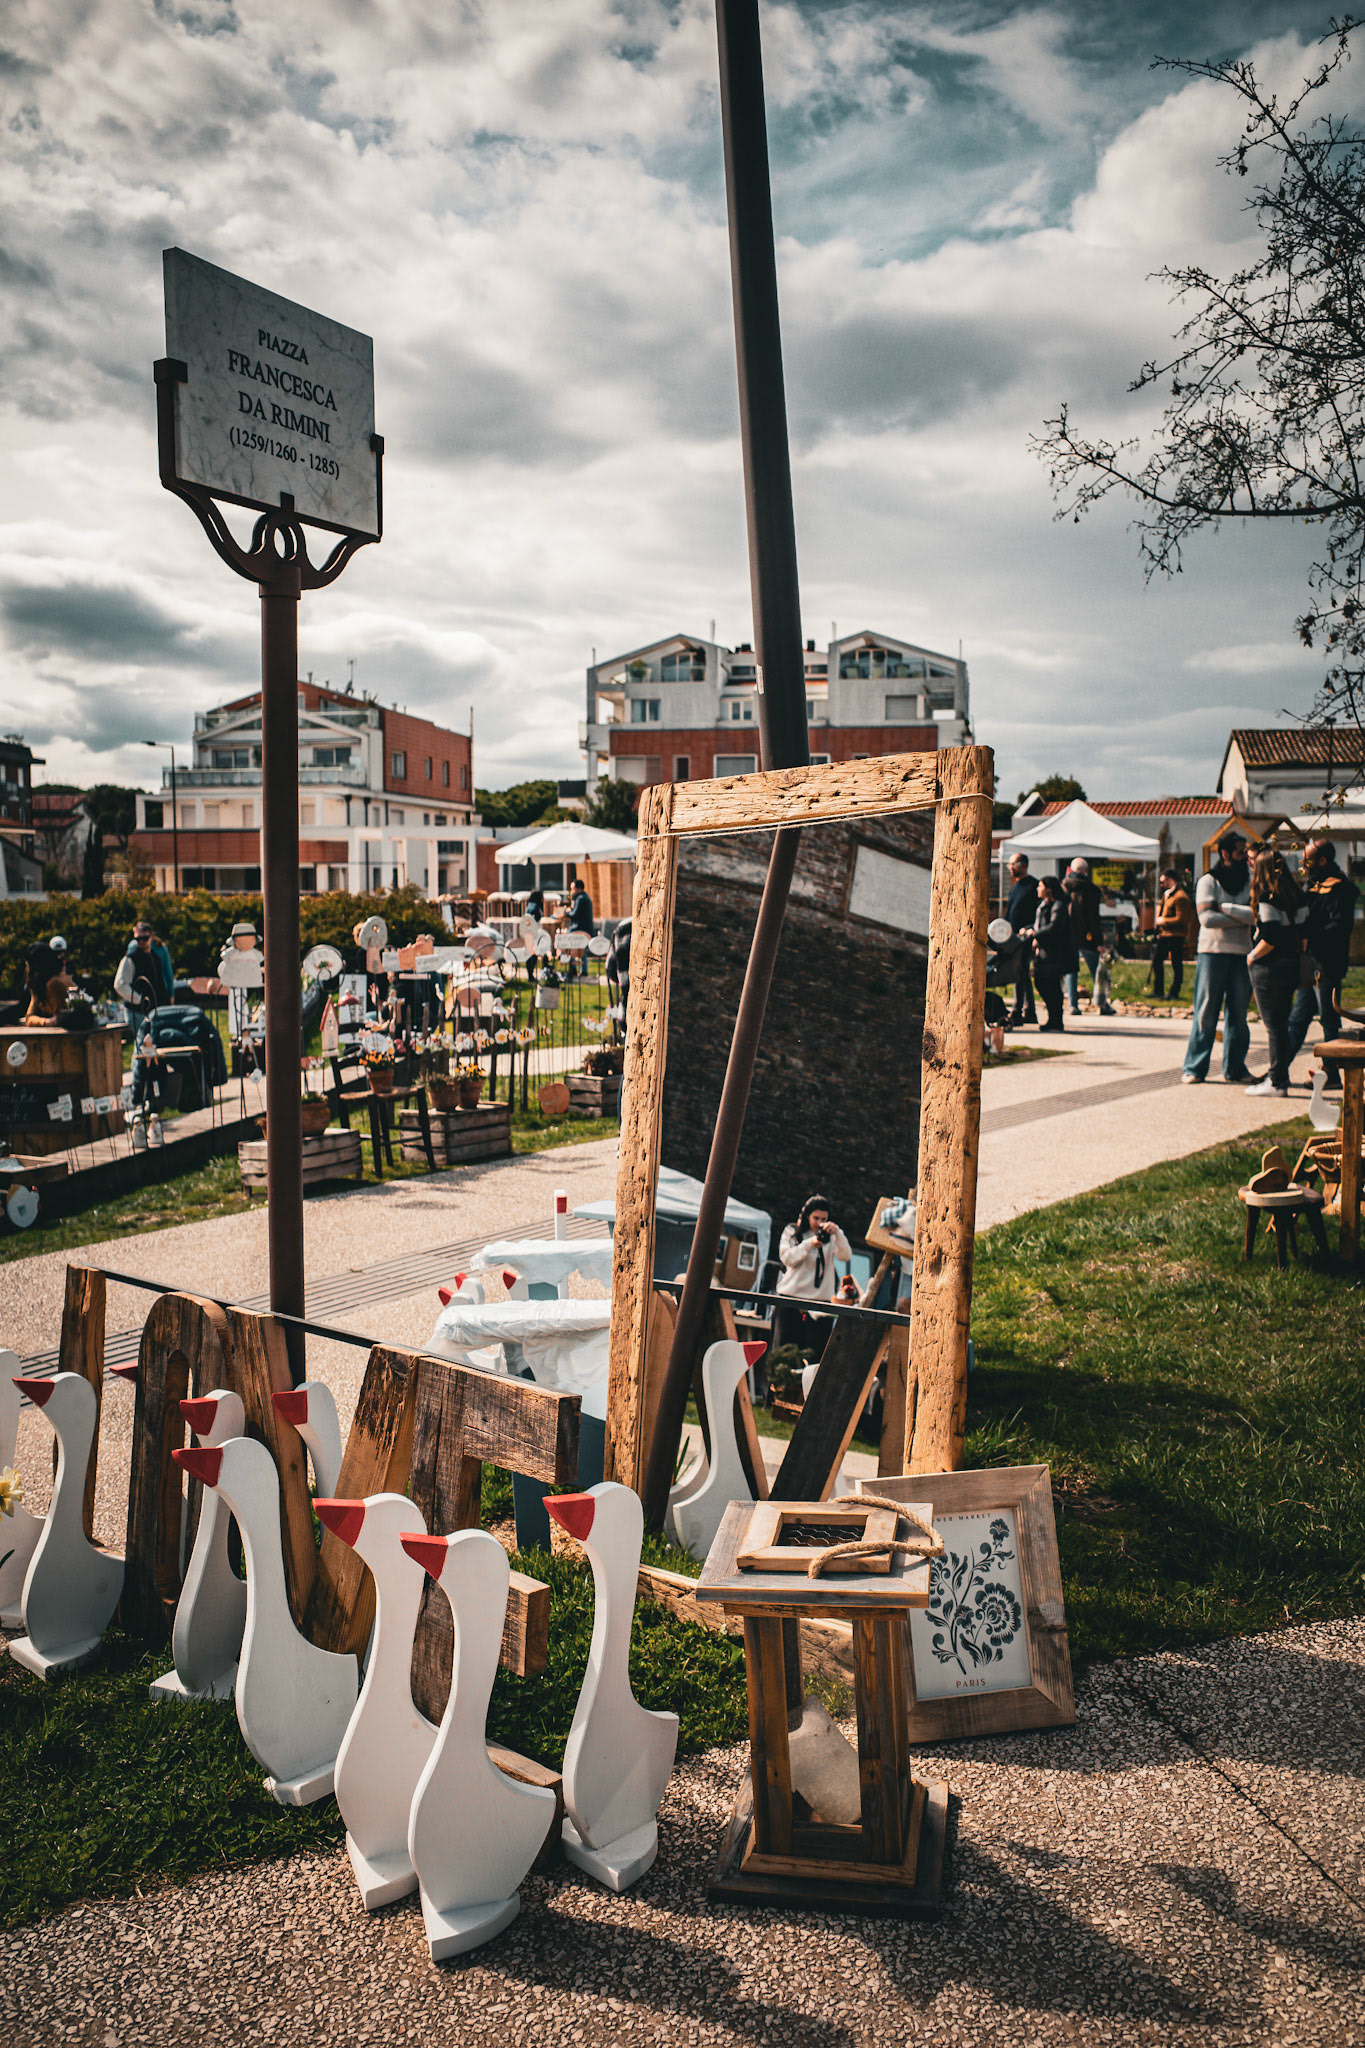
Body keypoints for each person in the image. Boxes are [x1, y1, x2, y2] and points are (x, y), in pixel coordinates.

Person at [1182, 833, 1258, 1084]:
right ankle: (1194, 1068)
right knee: (1206, 1013)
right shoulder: (1208, 881)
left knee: (1238, 1015)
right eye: (1239, 852)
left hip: (1241, 952)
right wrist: (1242, 917)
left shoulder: (1250, 881)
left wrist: (1224, 908)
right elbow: (1207, 919)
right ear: (1225, 854)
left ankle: (1235, 1069)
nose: (1244, 857)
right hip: (1212, 953)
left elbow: (1257, 915)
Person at [1286, 838, 1359, 1088]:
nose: (1304, 865)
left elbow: (1340, 926)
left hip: (1328, 964)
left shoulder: (1340, 888)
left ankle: (1331, 1073)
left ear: (1323, 860)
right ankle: (1278, 1071)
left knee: (1328, 1020)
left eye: (1308, 860)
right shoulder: (1312, 885)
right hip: (1310, 962)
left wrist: (1310, 932)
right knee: (1297, 1020)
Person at [1244, 848, 1309, 1097]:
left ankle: (1276, 1081)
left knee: (1274, 1027)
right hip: (1292, 963)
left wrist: (1252, 956)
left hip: (1269, 967)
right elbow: (1303, 933)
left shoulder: (1267, 897)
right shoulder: (1296, 895)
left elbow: (1270, 935)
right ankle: (1279, 1078)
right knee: (1281, 1025)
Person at [771, 1194, 852, 1361]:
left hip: (819, 1305)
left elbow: (845, 1256)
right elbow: (787, 1258)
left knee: (814, 1358)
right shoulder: (793, 1232)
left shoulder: (832, 1236)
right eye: (816, 1218)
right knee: (784, 1357)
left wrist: (837, 1233)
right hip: (791, 1300)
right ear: (807, 1215)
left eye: (823, 1219)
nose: (819, 1223)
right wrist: (810, 1244)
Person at [1025, 874, 1076, 1031]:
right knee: (1043, 983)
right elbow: (1041, 924)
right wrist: (1029, 930)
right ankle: (1053, 1019)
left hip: (1055, 954)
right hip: (1046, 952)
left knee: (1050, 985)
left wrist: (1035, 934)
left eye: (1040, 886)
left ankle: (1056, 1020)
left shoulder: (1058, 906)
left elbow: (1054, 927)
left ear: (1049, 889)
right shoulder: (1046, 905)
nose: (1037, 888)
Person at [1063, 858, 1108, 1012]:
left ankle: (1072, 1004)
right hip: (1087, 935)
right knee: (1096, 970)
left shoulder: (1065, 887)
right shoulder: (1091, 889)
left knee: (1071, 970)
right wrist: (1099, 941)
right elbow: (1093, 918)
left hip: (1068, 935)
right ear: (1086, 871)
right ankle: (1102, 1003)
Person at [1004, 853, 1039, 1027]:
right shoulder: (1014, 887)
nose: (1010, 868)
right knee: (1022, 973)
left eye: (1013, 864)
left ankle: (1018, 1011)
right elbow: (1011, 912)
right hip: (1013, 937)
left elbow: (1039, 913)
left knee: (1020, 972)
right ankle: (1029, 1011)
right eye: (1009, 865)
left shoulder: (1034, 885)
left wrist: (1032, 930)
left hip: (1027, 937)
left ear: (1023, 864)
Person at [1151, 868, 1195, 1001]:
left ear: (1170, 880)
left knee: (1176, 963)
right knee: (1157, 961)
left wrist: (1163, 921)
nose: (1161, 885)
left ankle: (1174, 992)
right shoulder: (1167, 895)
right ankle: (1158, 989)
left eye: (1162, 882)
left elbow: (1182, 919)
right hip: (1165, 934)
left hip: (1176, 935)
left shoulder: (1181, 897)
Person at [22, 937, 73, 1022]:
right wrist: (47, 1022)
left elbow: (62, 1017)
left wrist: (47, 1021)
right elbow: (29, 1017)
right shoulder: (38, 985)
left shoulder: (54, 983)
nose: (26, 969)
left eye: (28, 965)